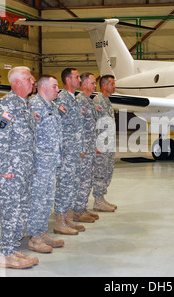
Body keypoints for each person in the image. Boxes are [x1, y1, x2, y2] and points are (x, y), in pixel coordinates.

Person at [0, 66, 38, 269]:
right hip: (13, 169)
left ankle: (12, 248)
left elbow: (30, 138)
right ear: (17, 83)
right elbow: (1, 138)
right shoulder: (6, 105)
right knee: (11, 210)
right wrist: (6, 168)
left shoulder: (25, 104)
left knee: (22, 209)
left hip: (26, 168)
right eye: (29, 78)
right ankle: (6, 254)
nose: (33, 81)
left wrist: (33, 164)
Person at [27, 75, 65, 253]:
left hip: (50, 163)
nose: (58, 89)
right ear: (43, 88)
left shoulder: (51, 106)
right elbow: (30, 138)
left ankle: (42, 232)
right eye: (55, 86)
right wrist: (33, 164)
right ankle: (34, 238)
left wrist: (59, 156)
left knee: (47, 200)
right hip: (39, 164)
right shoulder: (34, 106)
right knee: (38, 200)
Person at [53, 68, 86, 233]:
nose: (79, 80)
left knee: (72, 186)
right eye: (77, 77)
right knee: (64, 186)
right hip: (65, 153)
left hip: (74, 152)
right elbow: (56, 127)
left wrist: (80, 149)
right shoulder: (62, 99)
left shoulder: (74, 99)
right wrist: (60, 153)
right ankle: (59, 222)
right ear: (68, 79)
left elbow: (78, 128)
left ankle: (66, 217)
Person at [73, 73, 99, 223]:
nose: (95, 85)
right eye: (92, 83)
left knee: (88, 179)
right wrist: (81, 148)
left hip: (90, 147)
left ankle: (82, 208)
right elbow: (78, 127)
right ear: (84, 84)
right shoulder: (80, 101)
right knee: (82, 179)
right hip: (84, 149)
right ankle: (77, 211)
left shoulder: (89, 101)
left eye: (95, 83)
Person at [92, 75, 117, 212]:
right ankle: (97, 200)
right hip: (102, 145)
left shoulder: (107, 101)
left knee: (107, 171)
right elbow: (94, 124)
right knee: (100, 172)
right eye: (112, 84)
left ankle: (101, 198)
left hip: (109, 144)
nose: (114, 86)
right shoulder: (98, 101)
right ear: (104, 85)